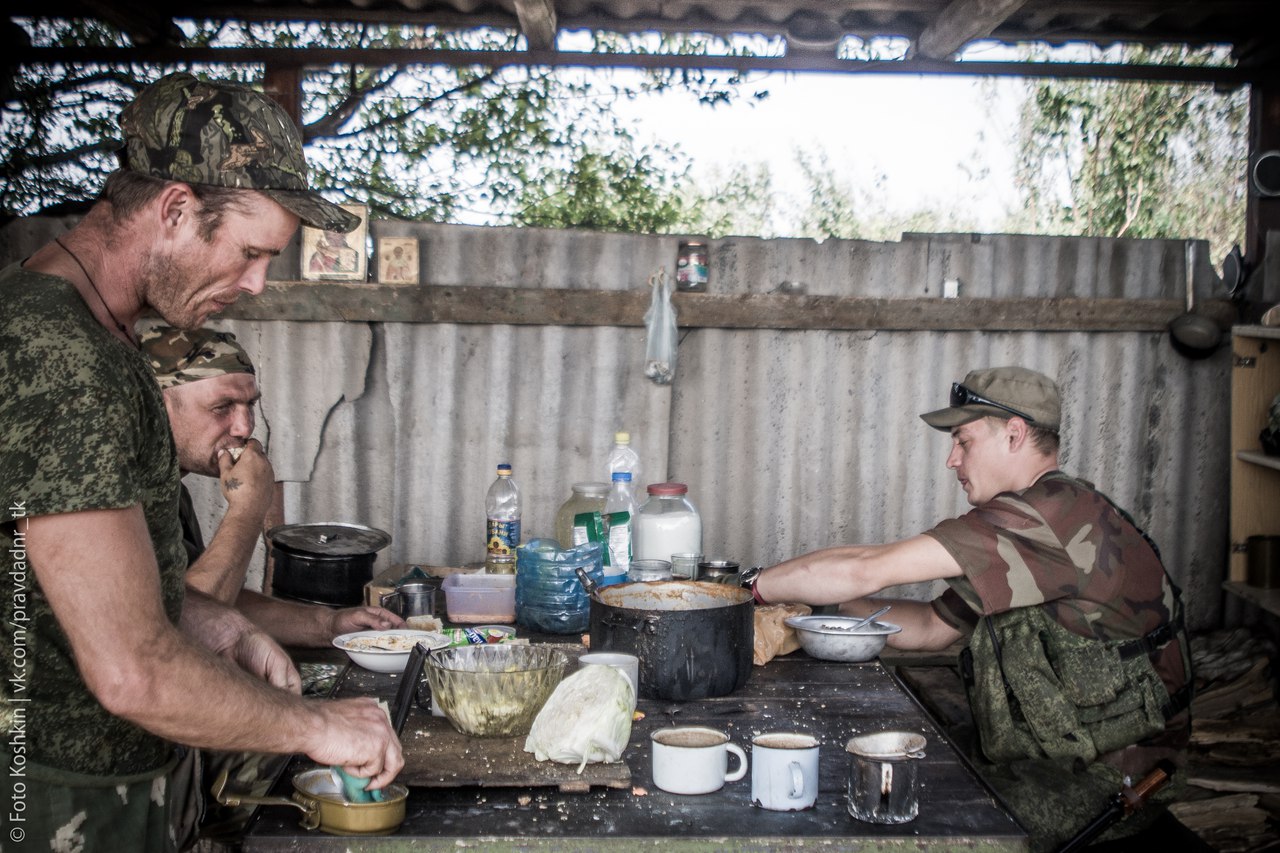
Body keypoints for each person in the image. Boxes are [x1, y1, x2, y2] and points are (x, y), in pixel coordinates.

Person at [0, 72, 401, 852]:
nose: (254, 284)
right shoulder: (62, 356)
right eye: (250, 253)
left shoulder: (94, 337)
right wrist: (315, 726)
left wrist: (208, 616)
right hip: (60, 798)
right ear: (177, 208)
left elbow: (66, 588)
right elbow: (130, 670)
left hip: (111, 783)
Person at [746, 367, 1194, 852]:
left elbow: (866, 567)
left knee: (889, 816)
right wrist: (822, 600)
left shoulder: (1045, 519)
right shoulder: (1033, 523)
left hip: (1108, 780)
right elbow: (930, 628)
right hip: (1054, 754)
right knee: (870, 766)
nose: (951, 460)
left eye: (964, 441)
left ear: (1015, 434)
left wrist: (750, 589)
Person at [140, 325, 403, 644]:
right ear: (158, 407)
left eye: (249, 404)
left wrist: (328, 626)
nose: (245, 427)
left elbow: (202, 596)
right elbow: (190, 624)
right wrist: (248, 509)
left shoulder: (171, 489)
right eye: (222, 407)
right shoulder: (128, 494)